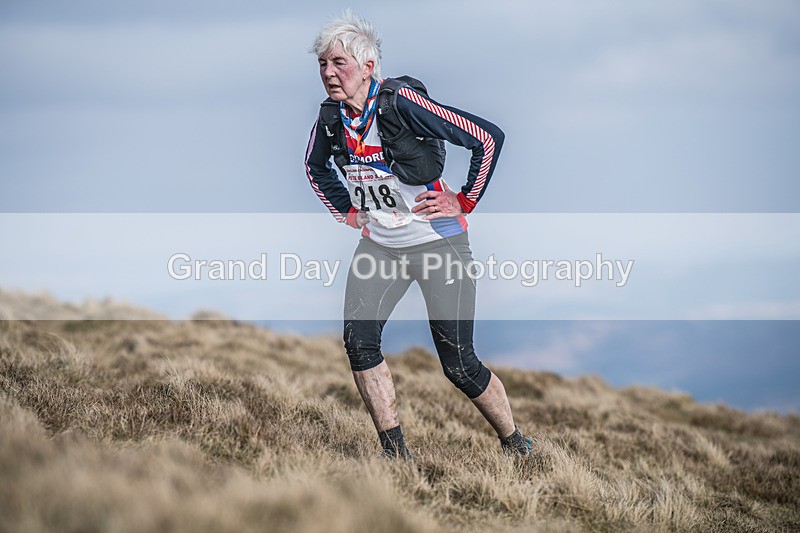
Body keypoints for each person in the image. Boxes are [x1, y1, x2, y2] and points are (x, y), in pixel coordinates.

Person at [304, 10, 532, 458]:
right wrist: (347, 212)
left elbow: (488, 138)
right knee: (359, 343)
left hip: (439, 243)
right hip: (381, 247)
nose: (329, 73)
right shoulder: (332, 119)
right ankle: (396, 456)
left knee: (459, 366)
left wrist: (464, 200)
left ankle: (515, 443)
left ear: (368, 67)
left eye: (339, 63)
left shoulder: (401, 104)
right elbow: (314, 168)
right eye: (323, 65)